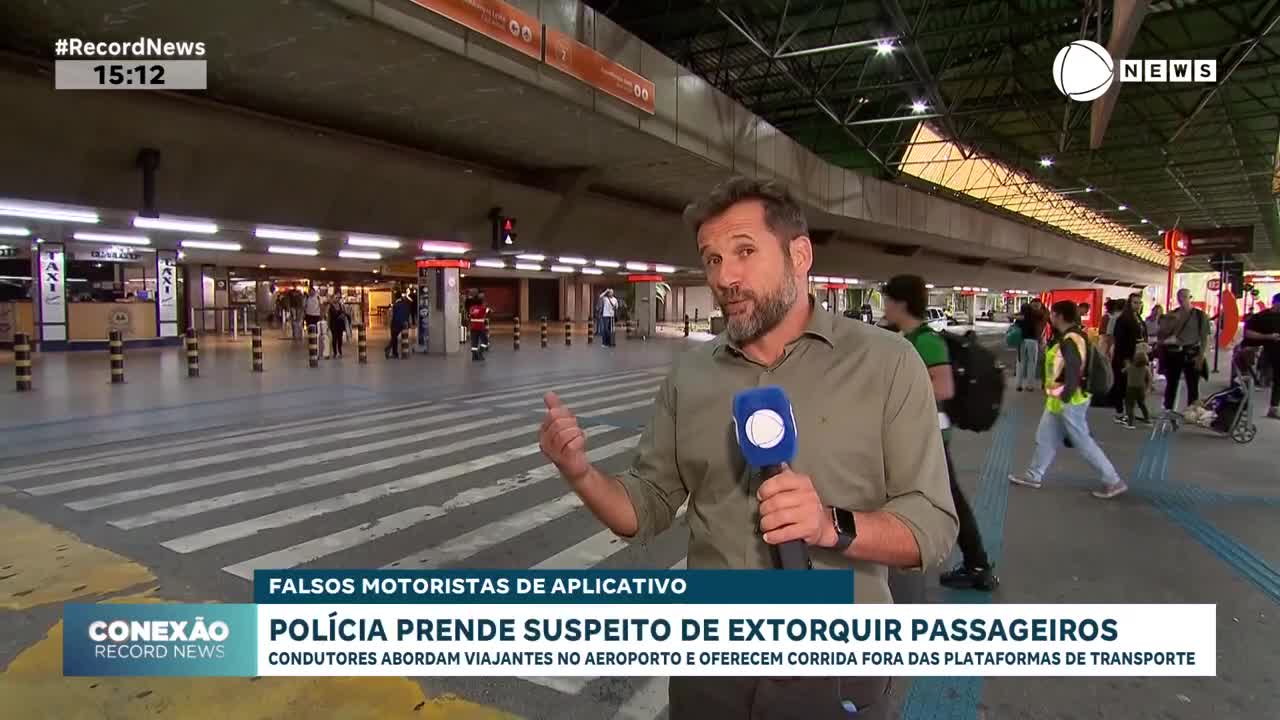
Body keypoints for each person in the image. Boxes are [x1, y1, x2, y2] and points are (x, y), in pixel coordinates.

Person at [538, 177, 957, 719]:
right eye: (711, 259)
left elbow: (931, 525)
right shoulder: (690, 376)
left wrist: (832, 525)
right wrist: (581, 473)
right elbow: (643, 507)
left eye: (743, 251)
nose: (724, 277)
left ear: (799, 254)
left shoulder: (887, 363)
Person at [882, 274, 997, 592]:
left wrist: (898, 390)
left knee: (952, 502)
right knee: (945, 498)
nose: (885, 306)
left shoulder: (925, 341)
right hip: (916, 435)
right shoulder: (906, 338)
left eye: (888, 300)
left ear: (901, 303)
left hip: (931, 437)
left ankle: (978, 565)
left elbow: (943, 386)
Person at [1009, 300, 1128, 499]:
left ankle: (1112, 480)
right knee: (1044, 437)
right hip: (1059, 400)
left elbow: (1074, 369)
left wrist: (1065, 395)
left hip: (1069, 400)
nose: (1050, 317)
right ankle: (1033, 475)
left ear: (1060, 316)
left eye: (1053, 314)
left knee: (1082, 441)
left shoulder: (1071, 339)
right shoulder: (1069, 336)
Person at [1158, 289, 1211, 416]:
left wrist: (1201, 356)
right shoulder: (1173, 314)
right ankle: (1168, 408)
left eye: (1185, 297)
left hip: (1191, 352)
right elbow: (1163, 334)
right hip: (1174, 352)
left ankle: (1192, 411)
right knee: (1171, 382)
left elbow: (1205, 338)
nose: (1182, 300)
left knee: (1192, 384)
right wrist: (1170, 321)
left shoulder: (1200, 316)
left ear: (1190, 297)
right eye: (1180, 297)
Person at [1242, 291, 1280, 418]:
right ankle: (1243, 408)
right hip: (1265, 352)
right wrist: (1269, 337)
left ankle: (1274, 407)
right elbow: (1248, 333)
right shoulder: (1261, 317)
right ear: (1275, 303)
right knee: (1253, 380)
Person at [1108, 294, 1144, 423]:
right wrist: (1125, 360)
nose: (1138, 305)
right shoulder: (1123, 319)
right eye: (1135, 302)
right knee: (1121, 385)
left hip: (1137, 357)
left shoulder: (1138, 319)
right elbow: (1120, 341)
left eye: (1139, 303)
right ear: (1129, 304)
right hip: (1124, 357)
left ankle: (1129, 411)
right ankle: (1119, 412)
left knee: (1133, 386)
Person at [1014, 300, 1047, 392]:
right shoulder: (1036, 316)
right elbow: (1044, 315)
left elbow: (1015, 326)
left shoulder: (1020, 317)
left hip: (1021, 342)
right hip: (1032, 341)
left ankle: (1018, 385)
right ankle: (1030, 385)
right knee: (1032, 363)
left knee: (1020, 363)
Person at [1123, 343, 1153, 428]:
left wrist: (1126, 364)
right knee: (1142, 404)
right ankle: (1147, 419)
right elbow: (1150, 379)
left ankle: (1130, 422)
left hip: (1130, 388)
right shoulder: (1146, 369)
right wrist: (1148, 388)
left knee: (1129, 405)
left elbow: (1123, 371)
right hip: (1141, 388)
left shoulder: (1130, 367)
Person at [385, 292, 412, 358]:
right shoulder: (407, 304)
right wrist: (408, 322)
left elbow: (392, 315)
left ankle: (393, 352)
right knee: (397, 337)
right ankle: (403, 353)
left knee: (394, 337)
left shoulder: (396, 305)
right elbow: (408, 314)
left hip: (396, 323)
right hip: (404, 323)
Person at [468, 291, 490, 361]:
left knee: (474, 342)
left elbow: (470, 314)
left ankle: (474, 356)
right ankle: (480, 353)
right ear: (481, 302)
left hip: (473, 327)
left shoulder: (471, 308)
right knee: (485, 341)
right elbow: (489, 311)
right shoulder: (483, 308)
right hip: (480, 327)